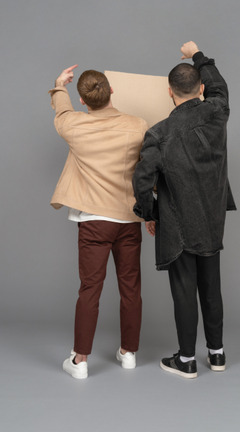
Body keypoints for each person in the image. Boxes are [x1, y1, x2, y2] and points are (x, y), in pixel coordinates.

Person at [133, 41, 236, 379]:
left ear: (169, 92)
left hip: (177, 226)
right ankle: (217, 355)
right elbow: (220, 86)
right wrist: (197, 54)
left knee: (184, 292)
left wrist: (148, 213)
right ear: (201, 89)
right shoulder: (217, 110)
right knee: (211, 287)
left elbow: (142, 177)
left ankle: (187, 360)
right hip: (212, 219)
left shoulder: (159, 133)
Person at [49, 65, 148, 379]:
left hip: (93, 221)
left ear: (82, 100)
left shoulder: (74, 125)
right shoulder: (138, 126)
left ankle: (80, 361)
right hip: (129, 219)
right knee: (131, 287)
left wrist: (59, 85)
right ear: (112, 92)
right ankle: (129, 353)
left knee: (90, 289)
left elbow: (61, 111)